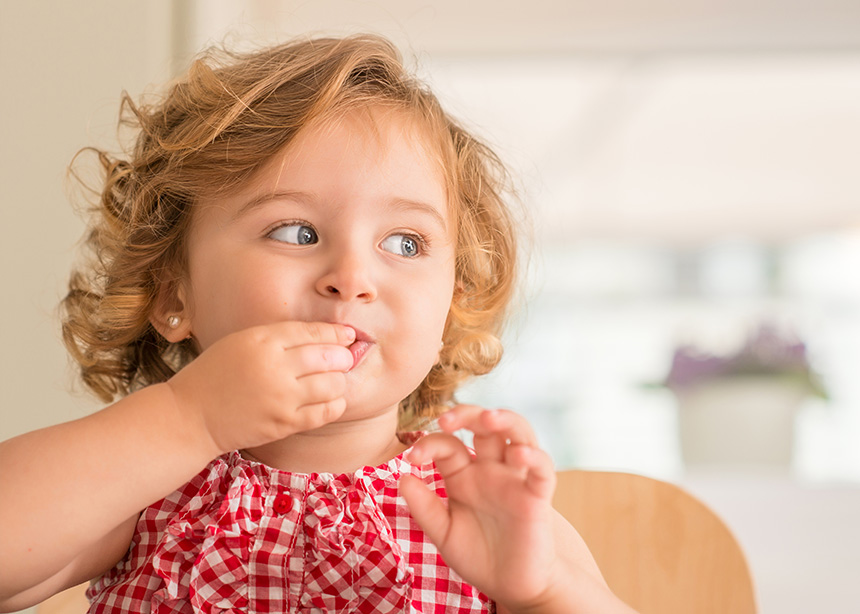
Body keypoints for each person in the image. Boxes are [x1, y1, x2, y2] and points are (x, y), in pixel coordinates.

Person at [0, 34, 636, 614]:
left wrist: (542, 590)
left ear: (449, 308)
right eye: (296, 232)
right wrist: (188, 419)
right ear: (174, 296)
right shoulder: (146, 487)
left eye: (406, 243)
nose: (352, 277)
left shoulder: (481, 513)